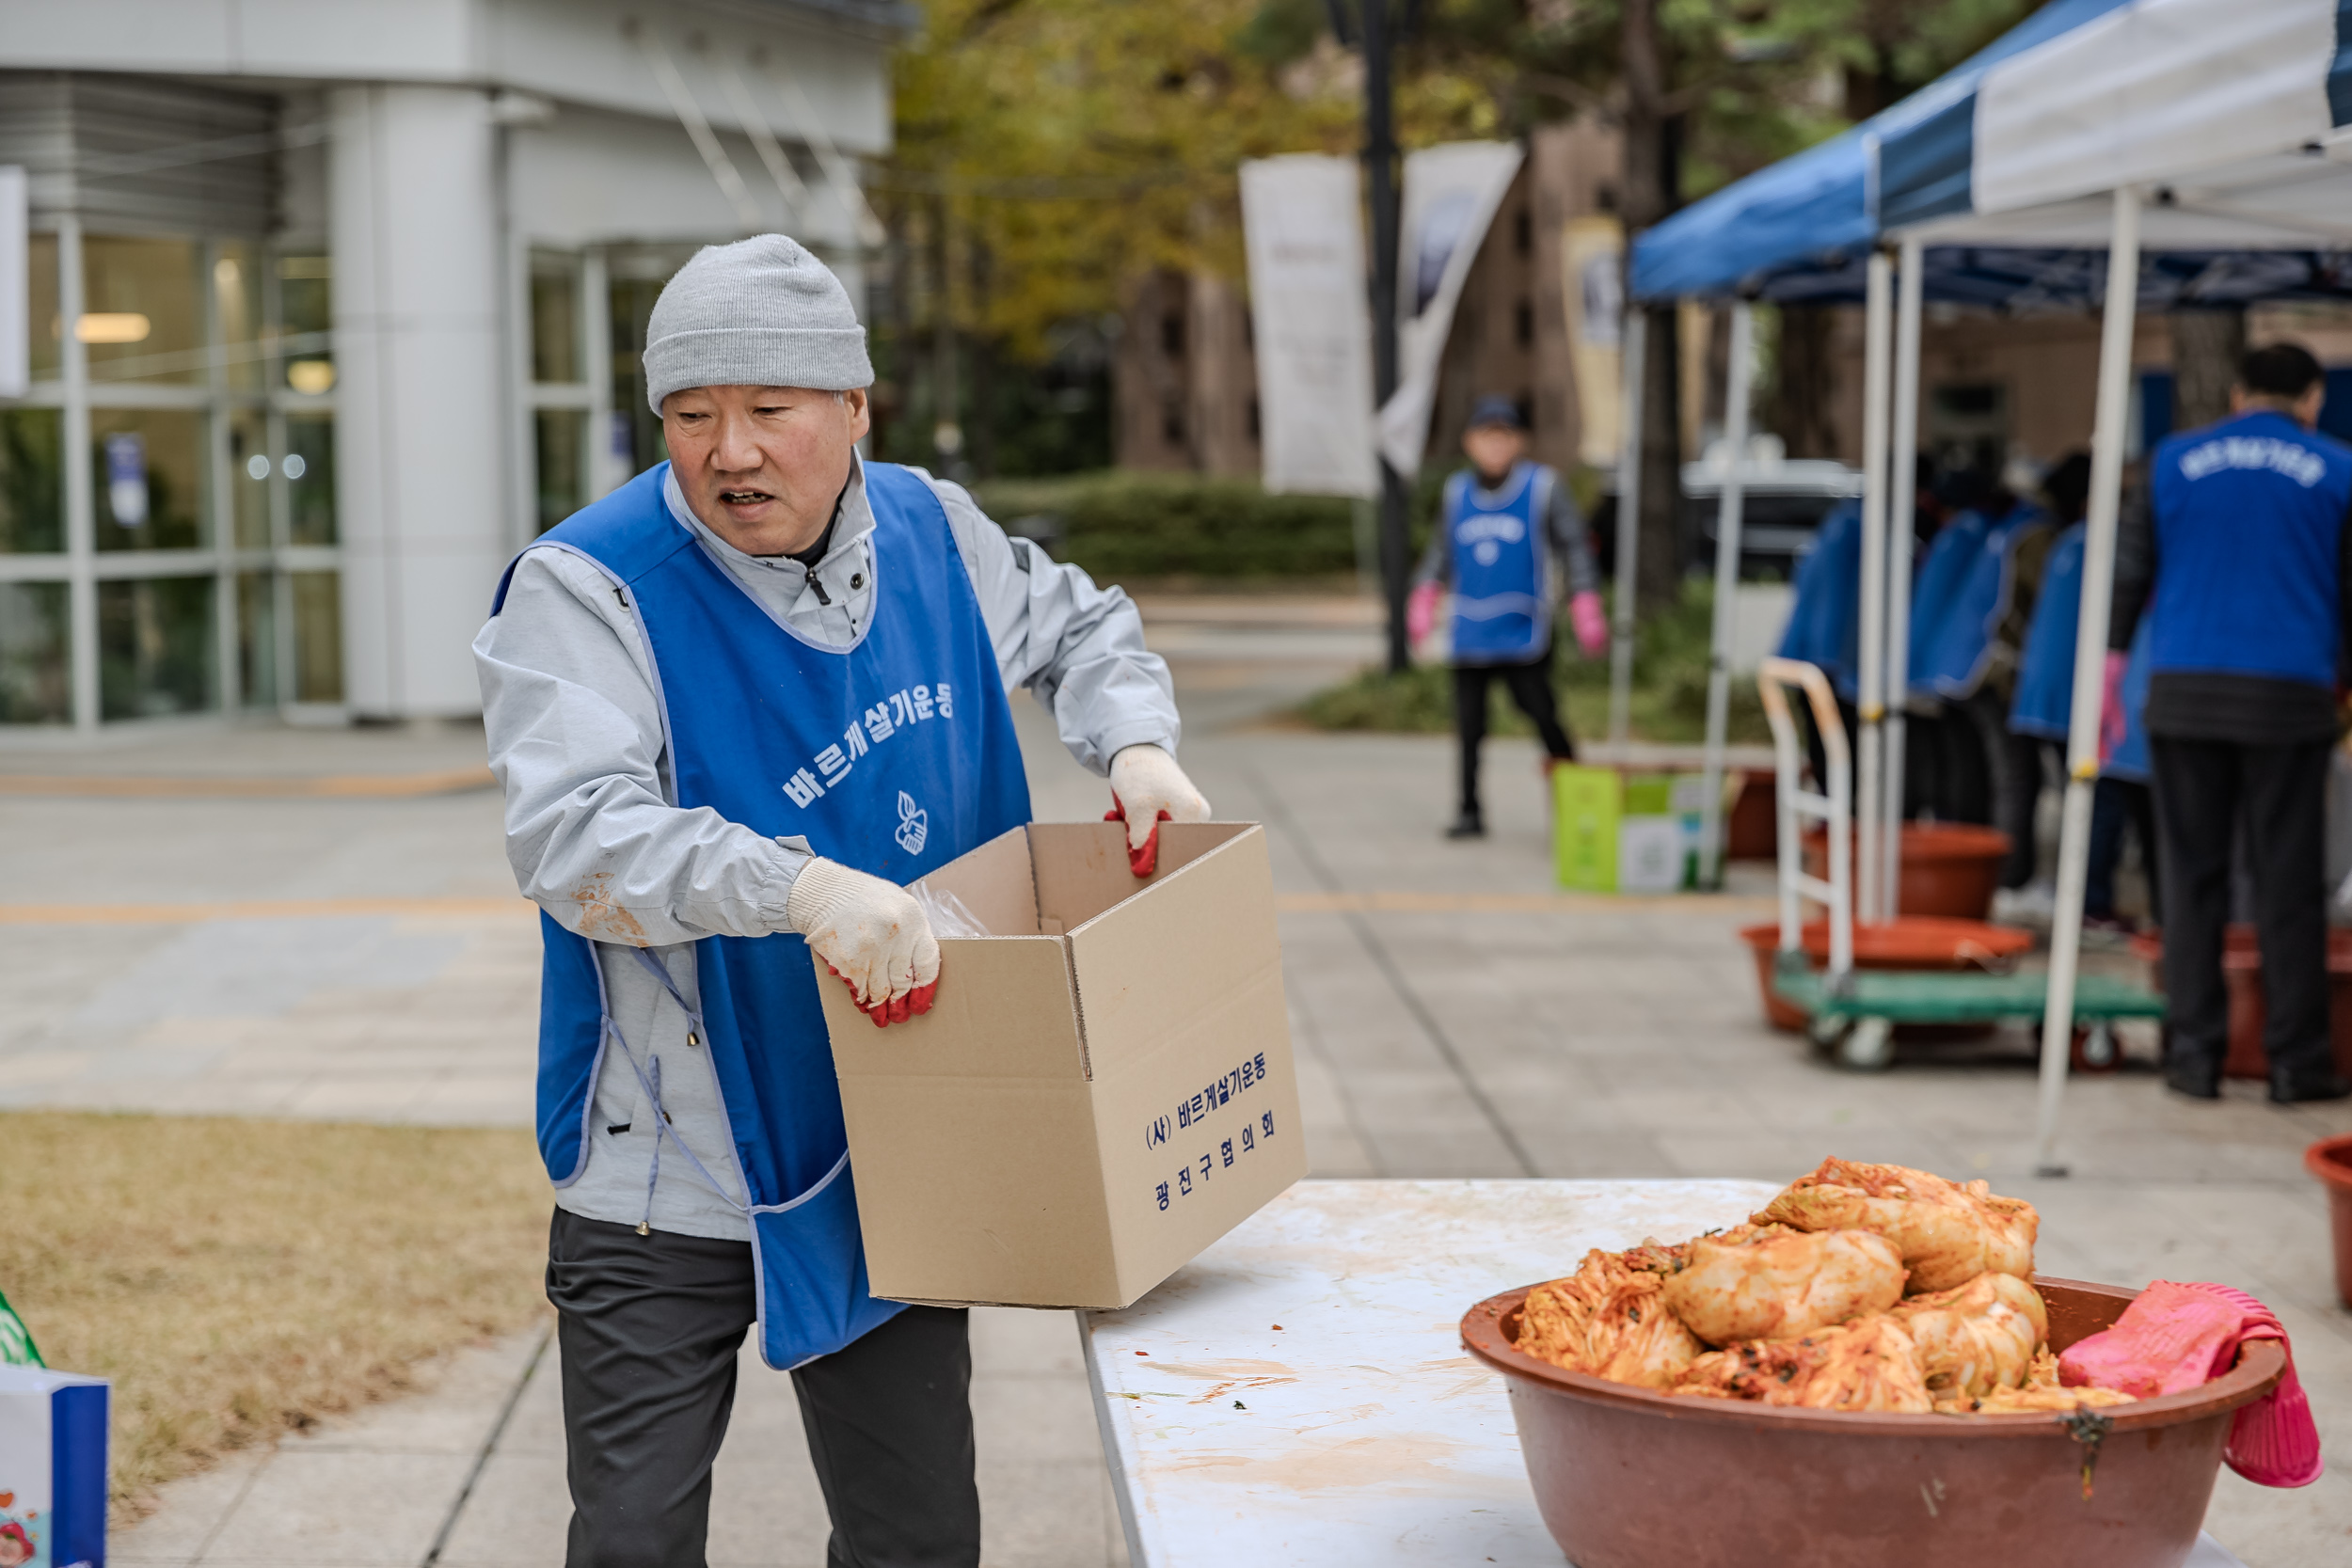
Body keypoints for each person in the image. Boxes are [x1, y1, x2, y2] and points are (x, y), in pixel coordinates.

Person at [472, 234, 1210, 1566]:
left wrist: (1135, 742)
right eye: (693, 416)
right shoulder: (589, 584)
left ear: (856, 408)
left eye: (769, 410)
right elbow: (576, 833)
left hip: (891, 1132)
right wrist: (797, 885)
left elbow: (1083, 627)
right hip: (665, 1162)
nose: (730, 451)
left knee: (918, 1535)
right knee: (631, 1540)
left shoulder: (931, 532)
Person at [2107, 340, 2352, 1103]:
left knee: (2190, 878)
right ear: (2312, 399)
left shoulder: (2171, 461)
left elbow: (2126, 577)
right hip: (2291, 695)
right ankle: (2296, 1063)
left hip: (2184, 693)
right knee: (2288, 883)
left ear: (2239, 396)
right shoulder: (2339, 468)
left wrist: (2113, 681)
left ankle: (2193, 1056)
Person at [1406, 396, 1607, 839]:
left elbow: (1575, 547)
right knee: (1470, 727)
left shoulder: (1542, 488)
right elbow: (1440, 553)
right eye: (1486, 436)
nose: (1495, 446)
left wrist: (1585, 602)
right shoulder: (1457, 493)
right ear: (1470, 443)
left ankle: (1576, 804)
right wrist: (1423, 597)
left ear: (1519, 441)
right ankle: (1469, 811)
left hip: (1524, 630)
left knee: (1543, 715)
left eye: (1504, 436)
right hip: (1471, 629)